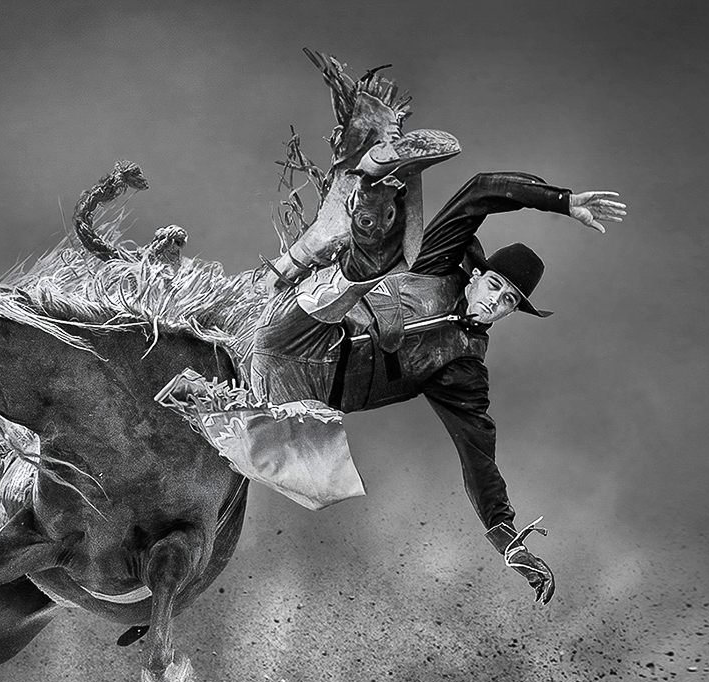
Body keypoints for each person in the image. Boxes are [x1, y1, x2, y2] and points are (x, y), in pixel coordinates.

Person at [245, 171, 626, 603]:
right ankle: (370, 197)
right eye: (494, 286)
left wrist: (507, 539)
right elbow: (481, 190)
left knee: (299, 482)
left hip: (299, 395)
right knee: (373, 262)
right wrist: (561, 201)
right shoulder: (437, 264)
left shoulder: (463, 369)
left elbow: (478, 455)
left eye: (507, 302)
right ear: (476, 276)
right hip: (297, 333)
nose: (493, 302)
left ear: (510, 312)